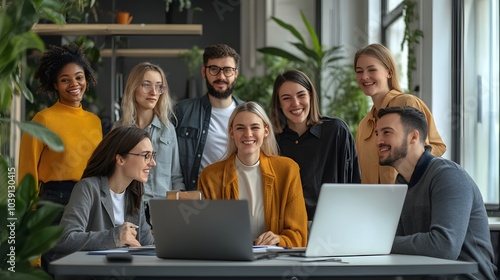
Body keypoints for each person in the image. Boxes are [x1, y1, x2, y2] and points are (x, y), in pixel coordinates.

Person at [375, 106, 497, 279]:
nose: (378, 141)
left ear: (413, 137)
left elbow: (444, 246)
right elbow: (399, 243)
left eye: (387, 132)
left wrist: (376, 243)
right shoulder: (401, 183)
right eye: (377, 134)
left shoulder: (448, 176)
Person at [198, 102, 308, 247]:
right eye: (240, 128)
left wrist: (279, 240)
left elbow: (299, 235)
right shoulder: (210, 177)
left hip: (275, 260)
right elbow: (204, 234)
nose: (248, 134)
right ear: (231, 132)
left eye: (255, 127)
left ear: (266, 131)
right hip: (229, 259)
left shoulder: (287, 170)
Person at [18, 43, 102, 217]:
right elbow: (27, 167)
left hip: (90, 198)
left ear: (86, 78)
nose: (74, 84)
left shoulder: (95, 122)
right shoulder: (43, 119)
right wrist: (27, 210)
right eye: (65, 80)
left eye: (79, 77)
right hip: (55, 201)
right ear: (56, 85)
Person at [51, 126, 155, 261]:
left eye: (153, 155)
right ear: (120, 159)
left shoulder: (135, 194)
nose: (153, 163)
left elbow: (147, 244)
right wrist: (116, 237)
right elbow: (64, 239)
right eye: (146, 155)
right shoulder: (87, 188)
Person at [270, 69, 361, 221]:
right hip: (289, 228)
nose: (296, 103)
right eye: (286, 98)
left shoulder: (336, 130)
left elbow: (353, 182)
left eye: (301, 95)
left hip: (333, 224)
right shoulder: (273, 140)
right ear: (279, 104)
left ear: (311, 96)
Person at [354, 43, 446, 184]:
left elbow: (434, 149)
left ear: (389, 72)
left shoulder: (406, 104)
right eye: (359, 71)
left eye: (372, 70)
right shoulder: (364, 125)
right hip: (375, 203)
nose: (364, 77)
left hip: (408, 200)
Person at [116, 62, 185, 225]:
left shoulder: (168, 130)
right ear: (133, 87)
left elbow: (176, 176)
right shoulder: (119, 129)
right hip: (128, 209)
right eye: (146, 85)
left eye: (159, 86)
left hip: (163, 211)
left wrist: (178, 210)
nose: (154, 92)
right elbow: (113, 175)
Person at [174, 44, 244, 190]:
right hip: (196, 199)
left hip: (238, 196)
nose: (221, 76)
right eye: (214, 69)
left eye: (227, 70)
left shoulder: (248, 114)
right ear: (204, 72)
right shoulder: (182, 112)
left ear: (236, 73)